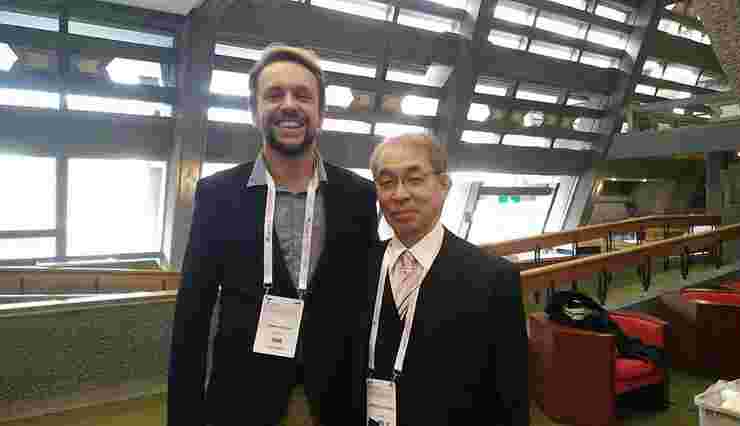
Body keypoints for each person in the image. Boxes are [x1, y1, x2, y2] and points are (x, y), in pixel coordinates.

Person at [168, 44, 378, 426]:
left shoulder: (359, 196)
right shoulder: (218, 194)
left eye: (303, 95)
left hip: (333, 401)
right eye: (274, 94)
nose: (289, 105)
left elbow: (365, 309)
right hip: (241, 400)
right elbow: (191, 319)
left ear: (321, 113)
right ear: (254, 111)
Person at [362, 134, 529, 426]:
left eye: (414, 180)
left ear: (444, 185)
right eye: (387, 183)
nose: (399, 195)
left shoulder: (493, 278)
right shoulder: (356, 268)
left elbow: (509, 392)